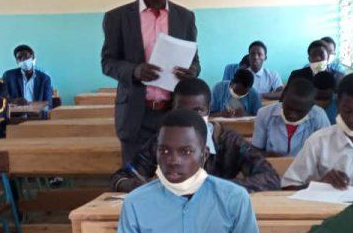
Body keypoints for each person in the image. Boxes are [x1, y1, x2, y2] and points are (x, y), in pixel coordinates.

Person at [111, 109, 266, 233]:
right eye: (164, 151)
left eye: (186, 152)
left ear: (204, 155)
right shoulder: (136, 203)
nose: (173, 160)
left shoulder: (233, 199)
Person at [101, 0, 200, 164]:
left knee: (174, 174)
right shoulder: (117, 18)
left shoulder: (185, 17)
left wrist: (191, 72)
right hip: (136, 115)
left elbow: (195, 62)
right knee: (136, 177)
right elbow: (108, 63)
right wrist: (134, 71)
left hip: (174, 112)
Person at [110, 78, 279, 193]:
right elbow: (121, 177)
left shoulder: (228, 141)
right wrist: (138, 185)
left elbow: (270, 178)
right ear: (172, 110)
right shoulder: (161, 141)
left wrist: (212, 188)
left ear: (208, 110)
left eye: (198, 111)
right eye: (182, 111)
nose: (190, 118)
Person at [251, 78, 330, 157]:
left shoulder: (319, 116)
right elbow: (256, 149)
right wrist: (268, 155)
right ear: (283, 97)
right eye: (288, 108)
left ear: (311, 106)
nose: (292, 115)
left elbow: (326, 153)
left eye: (300, 111)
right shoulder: (264, 114)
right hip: (271, 164)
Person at [2, 44, 54, 109]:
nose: (23, 60)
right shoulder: (8, 76)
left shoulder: (44, 78)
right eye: (19, 58)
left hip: (38, 114)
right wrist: (14, 101)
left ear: (33, 58)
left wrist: (37, 109)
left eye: (26, 56)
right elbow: (2, 99)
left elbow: (48, 103)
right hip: (16, 114)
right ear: (17, 62)